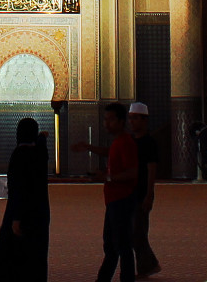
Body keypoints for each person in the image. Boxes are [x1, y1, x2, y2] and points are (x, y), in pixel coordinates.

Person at [72, 103, 138, 282]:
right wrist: (88, 147)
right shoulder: (119, 142)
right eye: (105, 120)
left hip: (121, 201)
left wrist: (108, 178)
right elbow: (110, 153)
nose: (106, 124)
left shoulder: (125, 142)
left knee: (121, 247)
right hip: (114, 201)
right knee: (112, 246)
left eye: (110, 120)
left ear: (121, 121)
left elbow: (133, 172)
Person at [0, 118, 48, 282]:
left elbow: (18, 188)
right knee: (34, 257)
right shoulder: (41, 154)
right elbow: (42, 142)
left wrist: (16, 218)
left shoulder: (19, 154)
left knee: (2, 257)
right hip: (40, 214)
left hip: (21, 214)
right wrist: (42, 137)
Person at [126, 104, 159, 278]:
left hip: (141, 194)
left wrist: (149, 195)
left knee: (138, 233)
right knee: (134, 232)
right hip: (130, 193)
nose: (131, 121)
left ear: (144, 120)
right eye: (130, 118)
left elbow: (151, 169)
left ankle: (147, 267)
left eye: (134, 118)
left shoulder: (149, 142)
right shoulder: (131, 141)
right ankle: (148, 266)